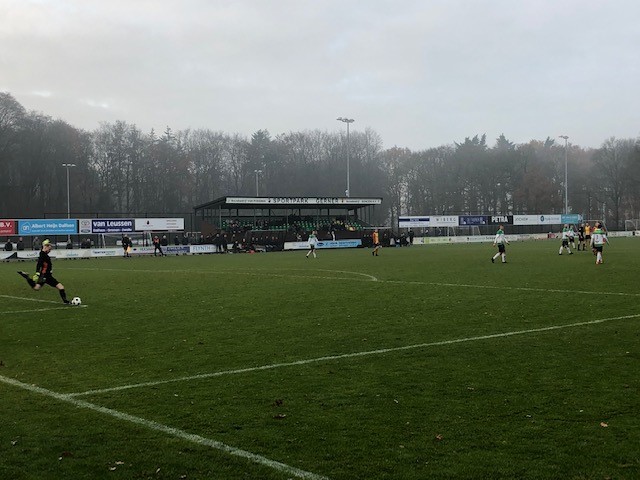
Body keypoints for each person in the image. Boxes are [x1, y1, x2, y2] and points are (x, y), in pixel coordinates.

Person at [17, 239, 71, 304]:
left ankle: (26, 277)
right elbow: (39, 264)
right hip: (44, 276)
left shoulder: (44, 254)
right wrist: (37, 273)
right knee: (60, 287)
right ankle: (65, 301)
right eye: (49, 249)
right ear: (45, 247)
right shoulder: (42, 254)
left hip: (47, 275)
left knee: (37, 288)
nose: (50, 250)